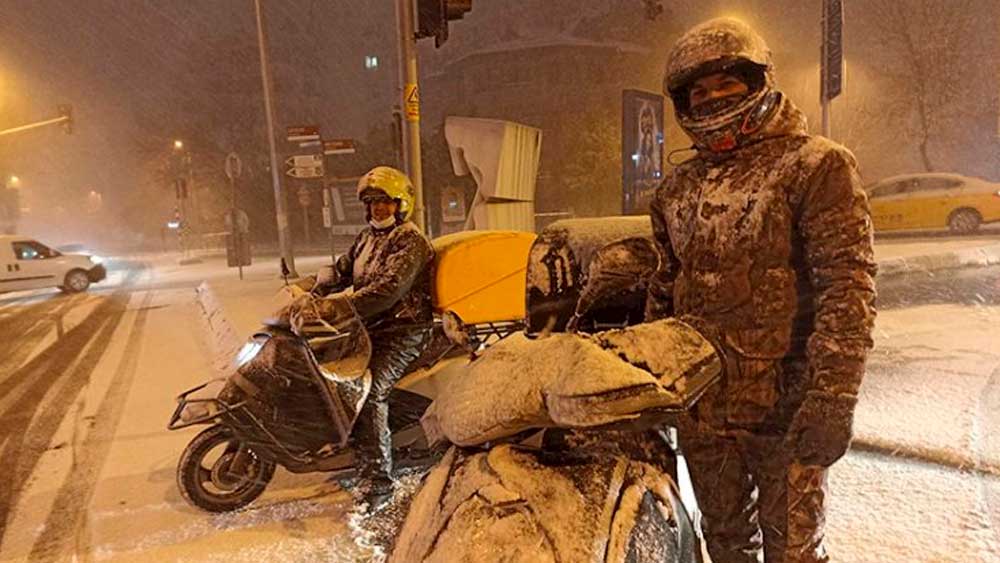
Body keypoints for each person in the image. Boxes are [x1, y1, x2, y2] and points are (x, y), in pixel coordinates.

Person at [645, 18, 877, 563]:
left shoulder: (815, 166)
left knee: (793, 553)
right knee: (725, 547)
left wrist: (833, 399)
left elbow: (848, 288)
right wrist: (648, 377)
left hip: (787, 413)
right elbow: (665, 289)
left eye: (727, 83)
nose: (713, 99)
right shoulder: (677, 188)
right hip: (704, 415)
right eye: (698, 91)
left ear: (756, 81)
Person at [289, 165, 434, 511]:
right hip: (372, 328)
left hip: (405, 331)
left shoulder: (409, 241)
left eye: (385, 202)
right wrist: (307, 289)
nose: (378, 209)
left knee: (371, 392)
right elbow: (340, 272)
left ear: (401, 205)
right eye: (371, 203)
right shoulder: (367, 238)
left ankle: (379, 482)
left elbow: (387, 291)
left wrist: (338, 306)